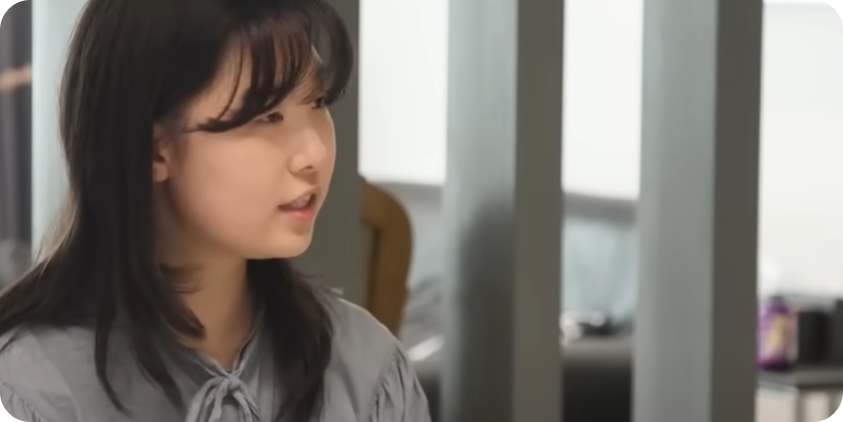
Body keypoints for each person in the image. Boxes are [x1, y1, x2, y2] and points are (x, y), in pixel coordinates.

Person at [0, 0, 431, 421]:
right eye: (267, 116)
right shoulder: (29, 390)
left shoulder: (365, 370)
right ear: (154, 149)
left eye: (318, 102)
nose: (314, 153)